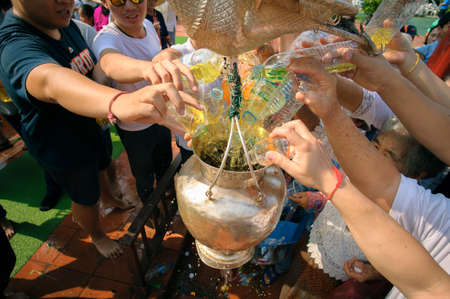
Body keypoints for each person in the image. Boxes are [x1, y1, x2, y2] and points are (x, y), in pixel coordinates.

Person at [0, 0, 199, 259]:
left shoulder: (66, 23)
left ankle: (112, 199)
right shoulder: (15, 44)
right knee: (86, 197)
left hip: (95, 126)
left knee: (106, 168)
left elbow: (100, 63)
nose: (65, 1)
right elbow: (51, 80)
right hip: (64, 145)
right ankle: (97, 234)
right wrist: (119, 100)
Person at [266, 57, 450, 298]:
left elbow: (425, 281)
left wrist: (375, 272)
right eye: (375, 148)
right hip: (317, 241)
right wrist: (317, 196)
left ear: (418, 176)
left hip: (338, 269)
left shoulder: (421, 220)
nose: (377, 158)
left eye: (390, 156)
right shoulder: (431, 210)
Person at [93, 0, 197, 203]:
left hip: (161, 117)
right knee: (143, 173)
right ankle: (150, 206)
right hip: (135, 126)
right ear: (106, 3)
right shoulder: (107, 37)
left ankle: (168, 197)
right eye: (118, 1)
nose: (130, 7)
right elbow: (110, 63)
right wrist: (149, 69)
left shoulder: (149, 25)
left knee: (164, 163)